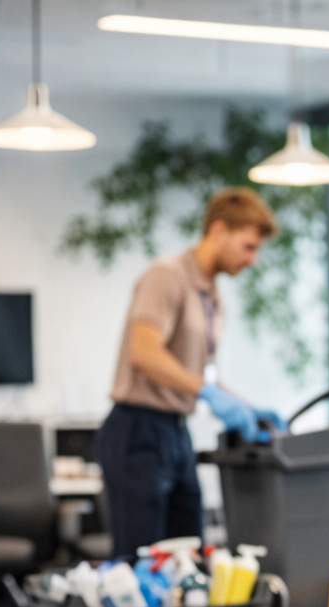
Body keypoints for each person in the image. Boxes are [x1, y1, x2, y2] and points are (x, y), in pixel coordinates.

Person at [97, 187, 287, 559]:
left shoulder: (212, 296)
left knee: (189, 557)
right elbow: (145, 352)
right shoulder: (167, 277)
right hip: (138, 431)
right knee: (142, 562)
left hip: (175, 433)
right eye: (249, 247)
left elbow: (201, 373)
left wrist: (245, 406)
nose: (253, 260)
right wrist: (207, 392)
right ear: (219, 231)